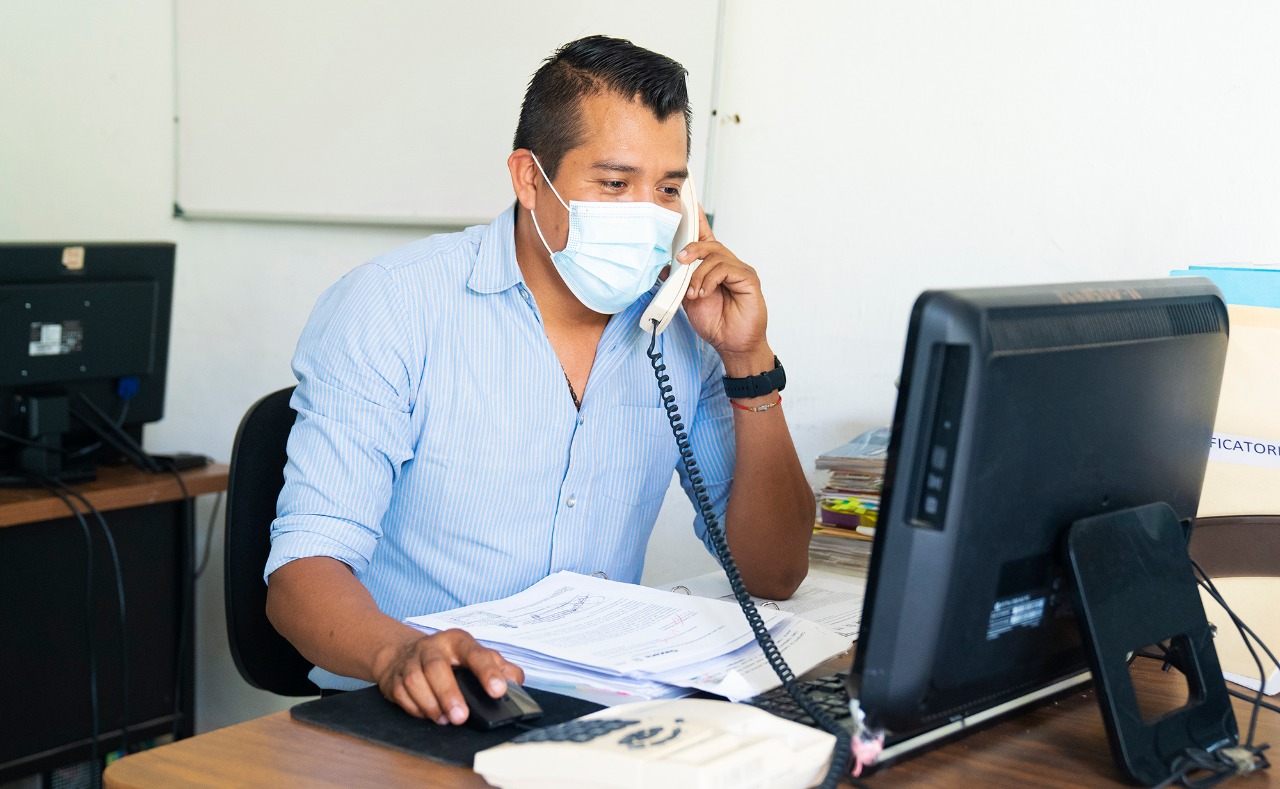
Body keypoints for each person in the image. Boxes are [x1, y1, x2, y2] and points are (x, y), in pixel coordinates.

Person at [264, 35, 814, 728]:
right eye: (614, 183)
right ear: (529, 178)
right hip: (418, 708)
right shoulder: (392, 307)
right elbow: (300, 576)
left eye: (669, 188)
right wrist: (402, 653)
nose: (648, 213)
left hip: (594, 710)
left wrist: (748, 359)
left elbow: (774, 572)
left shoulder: (680, 324)